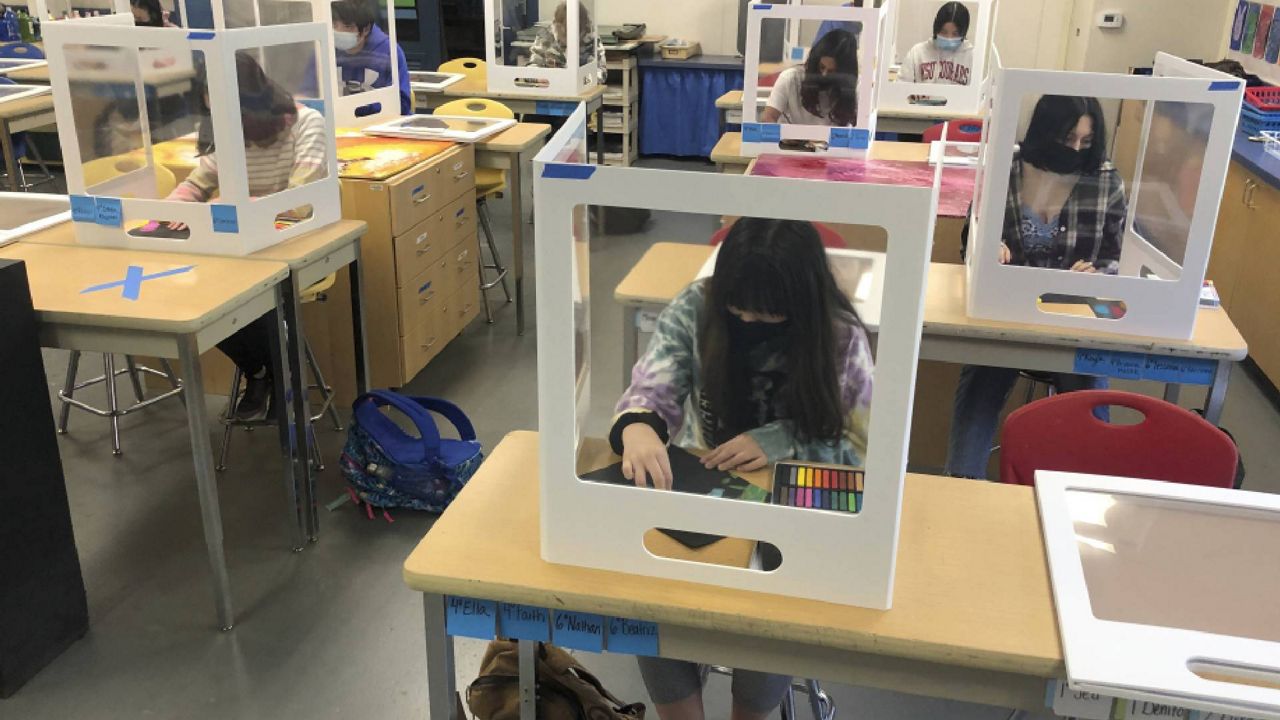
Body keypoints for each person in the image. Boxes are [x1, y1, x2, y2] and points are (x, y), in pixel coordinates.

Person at [611, 218, 874, 720]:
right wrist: (639, 426)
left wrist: (783, 438)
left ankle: (750, 710)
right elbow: (654, 384)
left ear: (799, 301)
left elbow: (861, 447)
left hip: (796, 500)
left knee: (772, 609)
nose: (749, 321)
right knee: (648, 597)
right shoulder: (696, 305)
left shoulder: (839, 336)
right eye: (739, 308)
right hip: (706, 488)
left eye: (767, 314)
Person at [946, 94, 1127, 479]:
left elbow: (1117, 258)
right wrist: (986, 247)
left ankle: (1090, 493)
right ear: (1045, 133)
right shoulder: (1004, 170)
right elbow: (969, 241)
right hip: (1008, 312)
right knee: (980, 387)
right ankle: (961, 485)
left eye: (1086, 141)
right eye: (1068, 139)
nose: (1077, 149)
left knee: (1091, 399)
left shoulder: (1106, 181)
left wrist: (1098, 273)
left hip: (1073, 316)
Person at [165, 53, 329, 420]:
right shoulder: (232, 128)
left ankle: (277, 373)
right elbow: (199, 181)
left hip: (294, 242)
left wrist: (237, 206)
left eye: (222, 104)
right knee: (196, 300)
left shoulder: (307, 124)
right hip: (242, 243)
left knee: (240, 295)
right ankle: (264, 371)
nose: (216, 114)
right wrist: (172, 212)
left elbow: (298, 203)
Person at [761, 29, 858, 127]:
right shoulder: (790, 78)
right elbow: (768, 117)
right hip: (791, 141)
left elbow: (859, 127)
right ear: (815, 62)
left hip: (832, 142)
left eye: (832, 72)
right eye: (821, 67)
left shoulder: (854, 86)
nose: (824, 74)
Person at [331, 0, 411, 115]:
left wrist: (355, 109)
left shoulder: (389, 51)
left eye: (347, 27)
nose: (338, 32)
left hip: (381, 124)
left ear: (366, 29)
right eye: (334, 25)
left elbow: (401, 103)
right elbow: (309, 94)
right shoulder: (324, 49)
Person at [899, 1, 973, 86]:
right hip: (923, 99)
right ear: (936, 29)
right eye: (944, 32)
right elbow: (901, 86)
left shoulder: (971, 57)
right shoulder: (917, 52)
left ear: (963, 33)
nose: (949, 38)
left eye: (955, 34)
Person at [527, 1, 605, 81]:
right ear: (556, 25)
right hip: (552, 89)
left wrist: (583, 81)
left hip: (583, 89)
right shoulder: (545, 37)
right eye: (564, 33)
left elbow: (601, 72)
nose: (568, 39)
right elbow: (531, 68)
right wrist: (539, 79)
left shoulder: (591, 38)